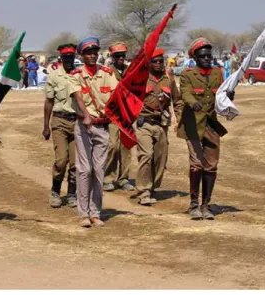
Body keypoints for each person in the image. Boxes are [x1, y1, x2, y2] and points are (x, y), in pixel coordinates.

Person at [177, 38, 234, 220]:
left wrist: (230, 96)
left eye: (209, 55)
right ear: (195, 57)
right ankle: (194, 205)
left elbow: (222, 95)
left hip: (211, 125)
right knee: (196, 165)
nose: (207, 58)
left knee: (211, 166)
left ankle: (206, 205)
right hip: (193, 126)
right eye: (203, 56)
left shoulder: (218, 73)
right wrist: (192, 103)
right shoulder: (187, 74)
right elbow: (185, 92)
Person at [68, 37, 119, 228]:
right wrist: (86, 114)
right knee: (84, 169)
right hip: (84, 126)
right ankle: (83, 214)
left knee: (98, 170)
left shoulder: (106, 73)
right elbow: (78, 96)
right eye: (88, 52)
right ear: (82, 55)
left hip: (102, 126)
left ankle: (95, 212)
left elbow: (115, 95)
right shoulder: (76, 74)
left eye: (95, 52)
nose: (92, 55)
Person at [134, 49, 184, 206]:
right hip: (144, 123)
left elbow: (177, 100)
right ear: (149, 63)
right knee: (146, 155)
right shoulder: (141, 78)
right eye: (154, 61)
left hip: (161, 124)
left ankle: (153, 186)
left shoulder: (168, 78)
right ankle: (144, 191)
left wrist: (179, 119)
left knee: (160, 158)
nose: (158, 64)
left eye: (160, 61)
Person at [42, 43, 79, 209]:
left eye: (71, 57)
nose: (69, 60)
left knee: (76, 163)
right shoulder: (54, 76)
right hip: (59, 121)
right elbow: (49, 101)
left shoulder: (80, 75)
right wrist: (46, 126)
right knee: (61, 160)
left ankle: (72, 193)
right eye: (66, 57)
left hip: (78, 122)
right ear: (61, 58)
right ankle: (55, 191)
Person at [103, 42, 134, 192]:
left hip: (127, 115)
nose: (121, 58)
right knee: (113, 146)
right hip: (113, 115)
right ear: (112, 57)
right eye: (118, 56)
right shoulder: (107, 72)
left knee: (126, 147)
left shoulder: (130, 71)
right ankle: (108, 177)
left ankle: (124, 178)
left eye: (123, 55)